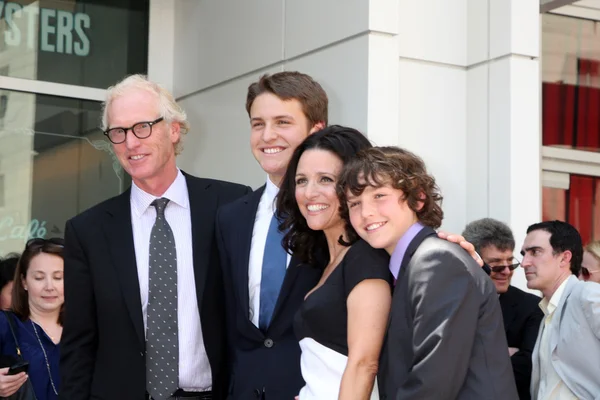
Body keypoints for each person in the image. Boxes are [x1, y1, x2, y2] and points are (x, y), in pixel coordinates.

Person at [216, 71, 483, 399]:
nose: (268, 135)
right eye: (258, 124)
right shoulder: (236, 218)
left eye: (282, 122)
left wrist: (437, 246)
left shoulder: (371, 247)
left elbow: (369, 360)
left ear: (318, 130)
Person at [59, 75, 251, 400]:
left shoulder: (231, 206)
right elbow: (79, 344)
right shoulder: (88, 231)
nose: (131, 143)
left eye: (142, 126)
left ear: (174, 130)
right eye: (118, 132)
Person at [339, 146, 518, 399]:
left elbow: (432, 383)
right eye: (354, 203)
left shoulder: (436, 260)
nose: (365, 212)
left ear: (419, 198)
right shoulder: (416, 263)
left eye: (379, 195)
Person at [275, 126, 391, 399]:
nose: (309, 193)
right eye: (301, 180)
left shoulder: (365, 258)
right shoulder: (324, 262)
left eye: (325, 179)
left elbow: (364, 364)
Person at [463, 218, 543, 400]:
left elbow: (527, 369)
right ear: (471, 261)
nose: (507, 272)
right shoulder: (449, 301)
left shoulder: (531, 307)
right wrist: (502, 353)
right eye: (497, 265)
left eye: (511, 263)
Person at [522, 221, 600, 400]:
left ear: (564, 258)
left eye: (535, 252)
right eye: (524, 254)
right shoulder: (547, 313)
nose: (525, 263)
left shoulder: (587, 294)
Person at [0, 238, 64, 400]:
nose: (49, 286)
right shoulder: (5, 324)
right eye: (39, 277)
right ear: (24, 282)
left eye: (58, 277)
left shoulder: (87, 329)